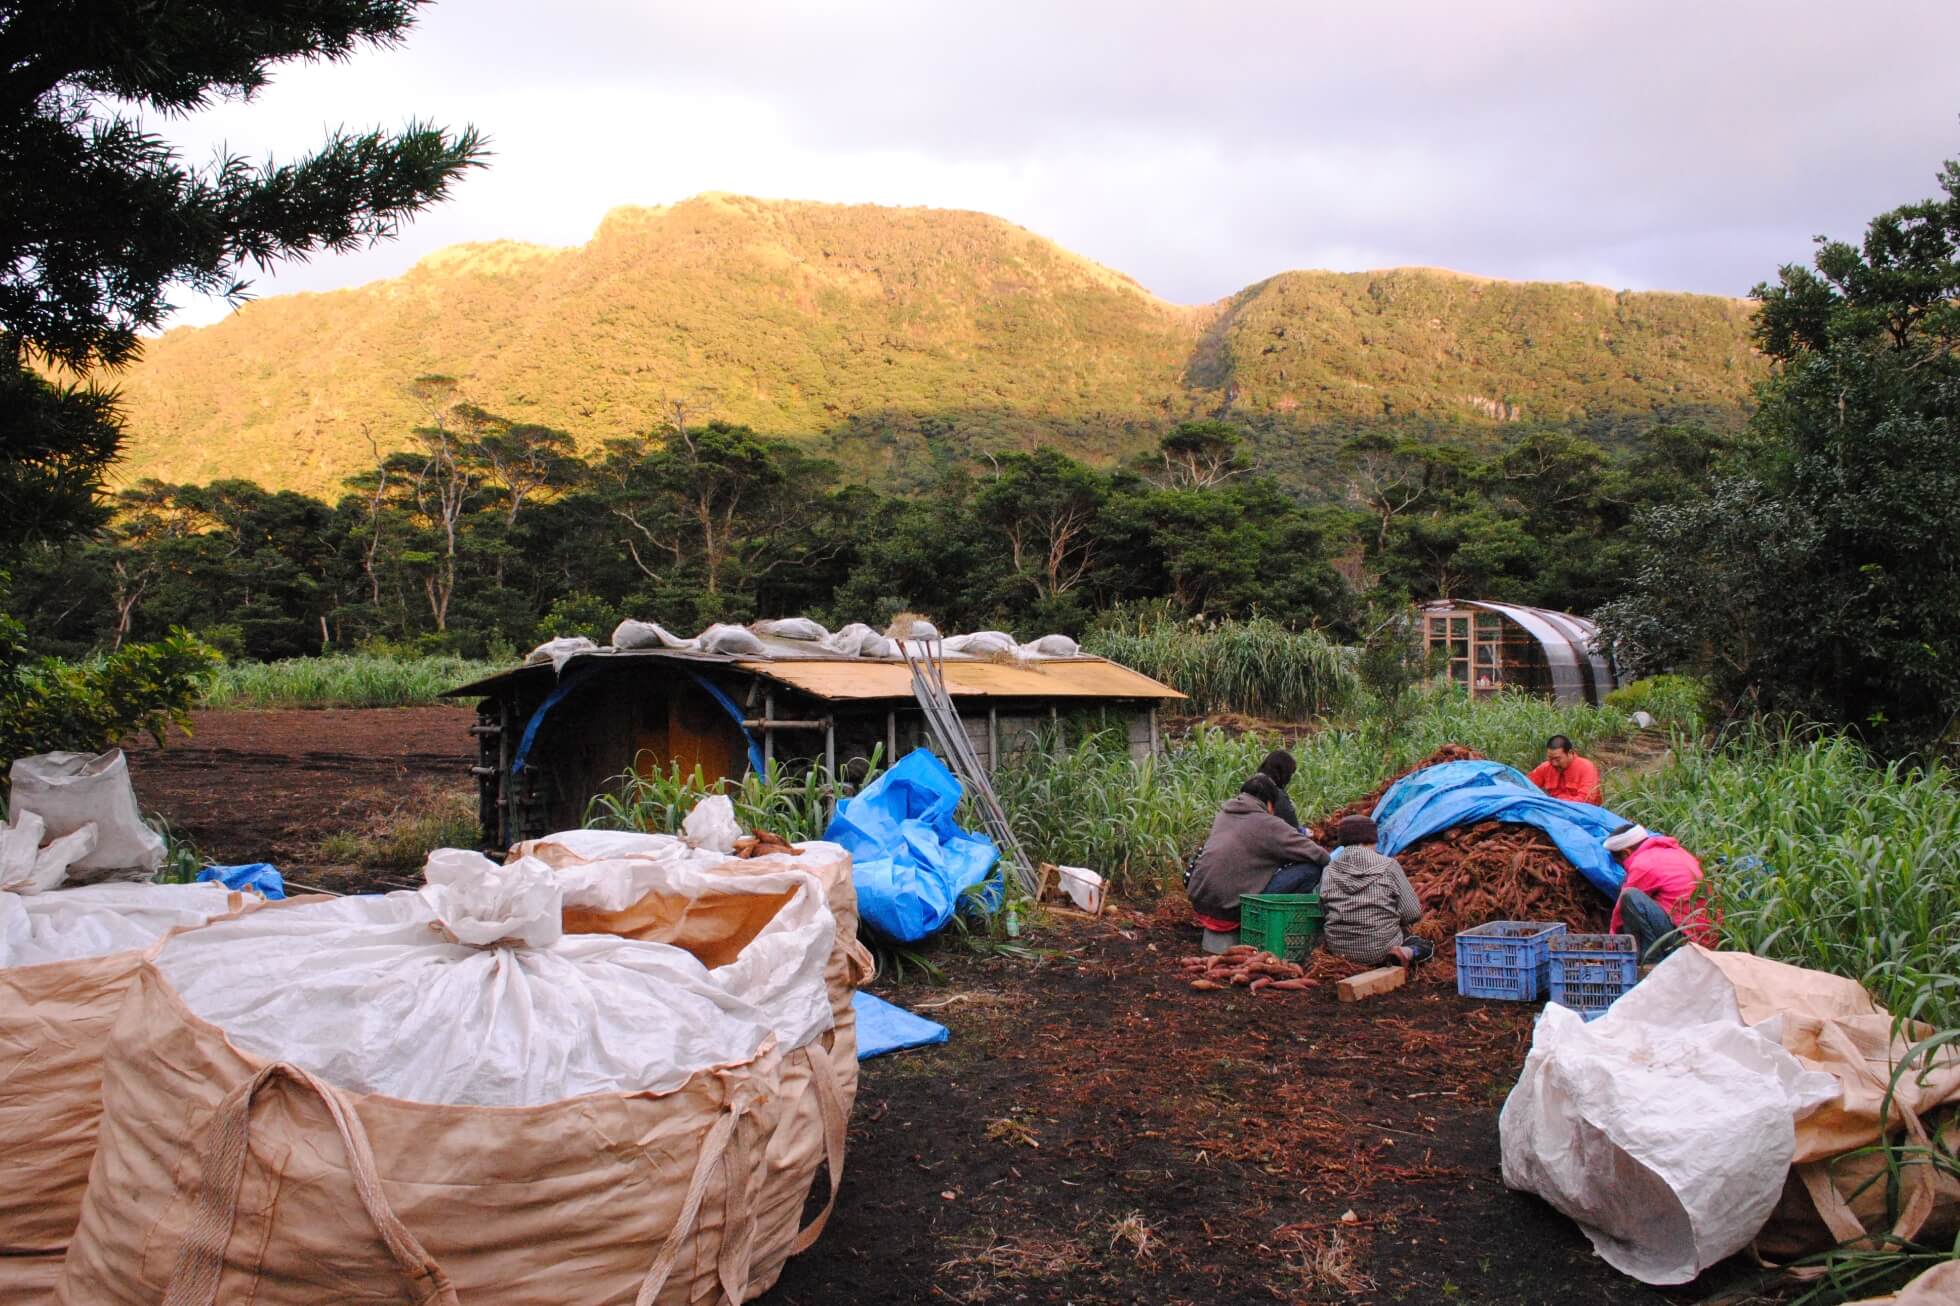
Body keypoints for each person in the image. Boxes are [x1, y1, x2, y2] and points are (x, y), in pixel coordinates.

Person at [1186, 774, 1330, 926]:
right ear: (1269, 803)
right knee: (1311, 869)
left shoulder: (1223, 816)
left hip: (1200, 904)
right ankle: (1272, 925)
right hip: (1231, 911)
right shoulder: (1269, 824)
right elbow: (1320, 855)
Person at [1318, 815, 1433, 967]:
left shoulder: (1328, 870)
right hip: (1381, 950)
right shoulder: (1389, 866)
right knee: (1424, 946)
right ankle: (1405, 953)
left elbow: (1324, 910)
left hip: (1340, 952)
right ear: (1371, 839)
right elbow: (1412, 913)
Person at [1604, 822, 1717, 960]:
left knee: (1630, 897)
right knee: (1628, 888)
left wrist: (1611, 942)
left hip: (1685, 942)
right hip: (1706, 938)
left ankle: (1649, 961)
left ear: (1626, 852)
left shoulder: (1643, 864)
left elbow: (1620, 911)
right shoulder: (1676, 852)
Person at [1528, 734, 1603, 806]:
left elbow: (1587, 800)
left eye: (1557, 759)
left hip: (1582, 813)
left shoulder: (1587, 768)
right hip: (1554, 809)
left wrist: (1555, 803)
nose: (1554, 763)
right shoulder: (1545, 767)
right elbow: (1525, 784)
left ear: (1570, 753)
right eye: (1550, 759)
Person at [1257, 748, 1301, 828]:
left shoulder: (1250, 785)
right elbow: (1292, 826)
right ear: (1284, 773)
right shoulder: (1276, 794)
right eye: (1290, 773)